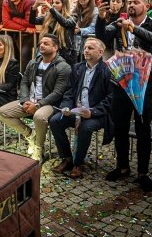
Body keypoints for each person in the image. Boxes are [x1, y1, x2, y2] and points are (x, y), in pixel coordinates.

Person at [102, 0, 152, 192]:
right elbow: (102, 36)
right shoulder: (120, 22)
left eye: (135, 2)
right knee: (120, 127)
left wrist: (134, 29)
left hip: (144, 84)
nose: (131, 5)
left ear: (146, 6)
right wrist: (100, 18)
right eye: (129, 2)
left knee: (142, 129)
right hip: (121, 82)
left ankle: (143, 173)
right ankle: (122, 167)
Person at [0, 34, 71, 162]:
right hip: (30, 100)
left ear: (55, 48)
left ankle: (39, 148)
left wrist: (38, 105)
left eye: (46, 43)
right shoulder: (33, 63)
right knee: (1, 113)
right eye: (41, 43)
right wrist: (25, 100)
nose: (41, 45)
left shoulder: (63, 67)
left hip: (50, 104)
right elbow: (24, 82)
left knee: (39, 116)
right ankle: (30, 134)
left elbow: (57, 93)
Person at [49, 37, 115, 179]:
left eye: (90, 48)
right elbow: (69, 92)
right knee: (55, 121)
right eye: (85, 47)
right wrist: (66, 107)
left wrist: (92, 112)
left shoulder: (108, 71)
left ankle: (78, 163)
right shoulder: (78, 68)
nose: (86, 50)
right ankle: (67, 158)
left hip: (97, 114)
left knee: (86, 127)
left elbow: (111, 98)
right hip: (77, 110)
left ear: (100, 52)